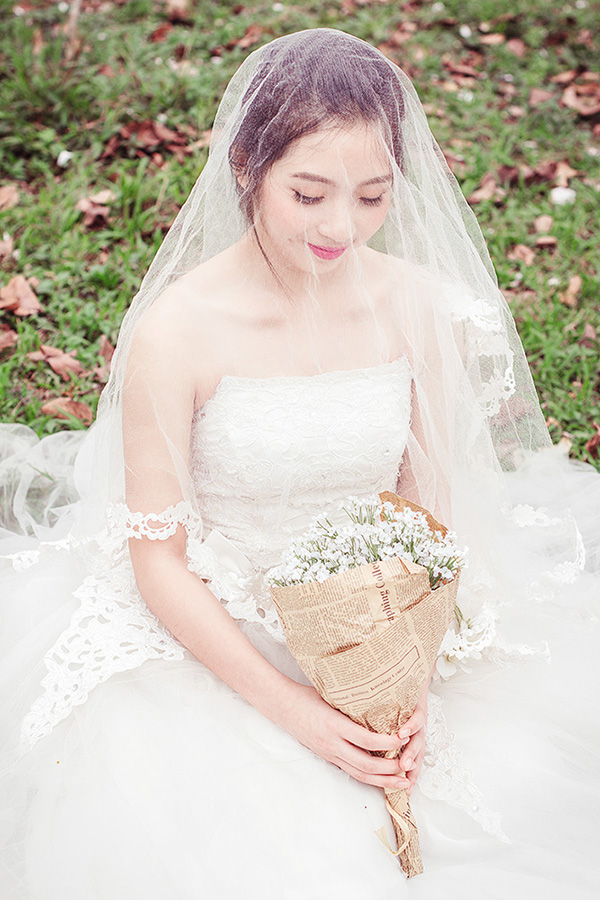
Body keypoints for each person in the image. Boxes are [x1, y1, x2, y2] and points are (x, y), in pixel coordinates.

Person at [1, 28, 599, 899]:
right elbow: (157, 558)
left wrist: (404, 671)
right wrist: (302, 714)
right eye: (309, 194)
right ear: (248, 167)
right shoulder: (179, 331)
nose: (340, 227)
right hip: (218, 622)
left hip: (385, 606)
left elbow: (426, 504)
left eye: (372, 195)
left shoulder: (414, 306)